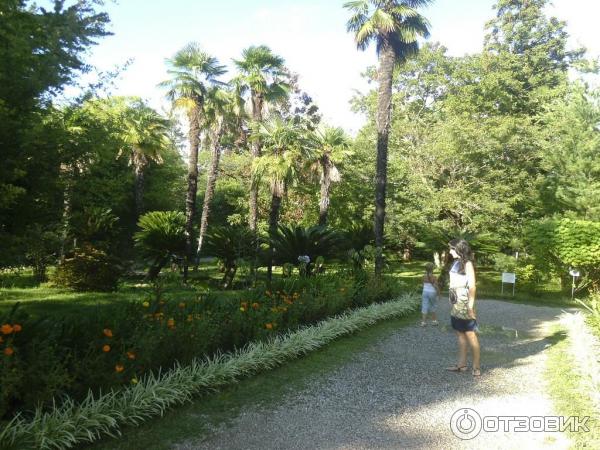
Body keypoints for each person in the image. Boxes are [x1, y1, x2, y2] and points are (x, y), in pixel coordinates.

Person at [445, 238, 481, 377]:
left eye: (451, 248)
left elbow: (472, 286)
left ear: (458, 249)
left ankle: (476, 367)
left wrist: (470, 307)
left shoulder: (468, 264)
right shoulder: (456, 263)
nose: (449, 251)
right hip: (456, 303)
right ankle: (461, 364)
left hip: (465, 304)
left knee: (471, 335)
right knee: (460, 333)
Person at [421, 262, 439, 327]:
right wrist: (439, 294)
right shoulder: (434, 277)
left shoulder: (423, 277)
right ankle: (434, 321)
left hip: (424, 292)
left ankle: (423, 322)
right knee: (433, 305)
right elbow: (436, 286)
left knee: (424, 306)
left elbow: (423, 285)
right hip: (432, 292)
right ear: (433, 269)